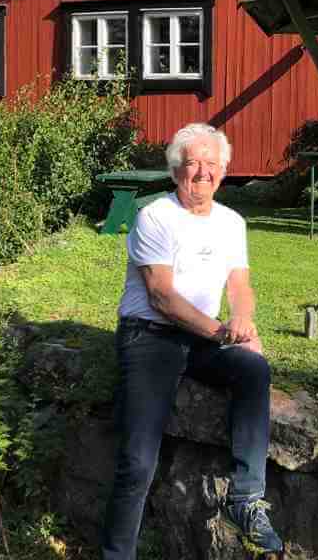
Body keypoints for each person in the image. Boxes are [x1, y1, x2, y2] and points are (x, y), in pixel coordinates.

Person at [100, 123, 283, 559]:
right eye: (193, 163)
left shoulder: (231, 223)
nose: (202, 172)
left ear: (224, 170)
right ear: (176, 169)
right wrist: (223, 332)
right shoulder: (155, 216)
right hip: (150, 338)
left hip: (202, 336)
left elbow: (240, 285)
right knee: (138, 462)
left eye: (212, 164)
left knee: (253, 369)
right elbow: (162, 297)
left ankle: (245, 500)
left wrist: (243, 320)